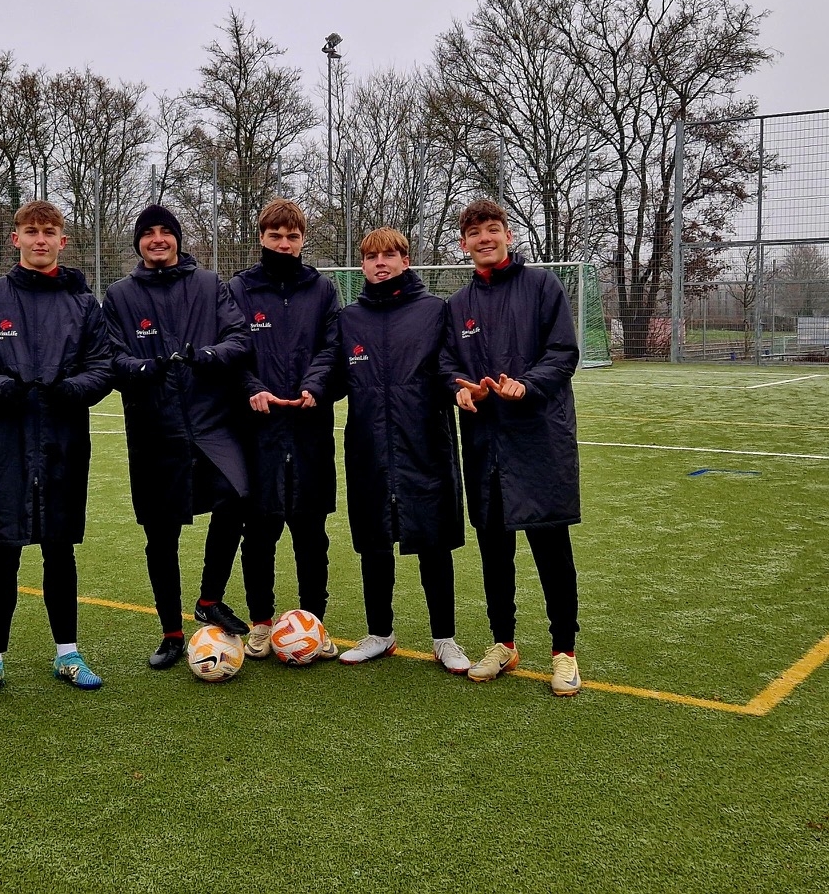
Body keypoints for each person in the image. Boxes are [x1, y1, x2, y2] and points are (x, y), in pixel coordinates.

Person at [0, 200, 115, 702]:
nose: (40, 239)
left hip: (64, 443)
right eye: (31, 231)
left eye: (49, 231)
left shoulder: (83, 304)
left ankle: (68, 653)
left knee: (60, 550)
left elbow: (102, 365)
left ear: (63, 241)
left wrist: (71, 390)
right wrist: (1, 389)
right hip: (6, 443)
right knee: (3, 551)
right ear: (15, 238)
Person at [440, 199, 583, 696]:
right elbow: (446, 364)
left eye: (492, 229)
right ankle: (503, 643)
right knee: (494, 553)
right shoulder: (458, 305)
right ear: (463, 244)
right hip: (486, 444)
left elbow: (563, 352)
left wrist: (528, 384)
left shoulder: (542, 286)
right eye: (475, 232)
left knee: (551, 552)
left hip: (539, 440)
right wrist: (460, 389)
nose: (485, 238)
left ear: (508, 235)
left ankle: (564, 652)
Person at [103, 204, 253, 670]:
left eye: (165, 232)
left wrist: (208, 356)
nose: (157, 239)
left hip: (212, 423)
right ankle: (170, 633)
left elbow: (240, 338)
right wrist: (143, 368)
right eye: (148, 233)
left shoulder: (209, 285)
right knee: (161, 533)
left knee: (236, 498)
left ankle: (209, 600)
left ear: (177, 239)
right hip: (154, 429)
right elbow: (111, 357)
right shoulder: (120, 295)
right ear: (138, 243)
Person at [334, 227, 471, 674]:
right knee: (374, 543)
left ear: (405, 261)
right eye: (372, 257)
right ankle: (380, 634)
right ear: (362, 265)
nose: (381, 263)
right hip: (369, 446)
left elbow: (450, 367)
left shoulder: (434, 310)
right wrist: (303, 392)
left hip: (424, 444)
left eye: (389, 255)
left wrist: (460, 389)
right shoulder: (349, 318)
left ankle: (445, 638)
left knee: (433, 542)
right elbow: (332, 375)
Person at [224, 199, 342, 660]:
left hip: (310, 429)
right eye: (276, 235)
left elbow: (332, 348)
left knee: (311, 535)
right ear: (262, 237)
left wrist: (315, 385)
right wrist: (251, 388)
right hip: (259, 431)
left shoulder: (322, 289)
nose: (285, 243)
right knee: (260, 533)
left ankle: (313, 622)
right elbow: (232, 350)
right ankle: (261, 622)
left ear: (302, 239)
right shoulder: (240, 289)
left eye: (292, 236)